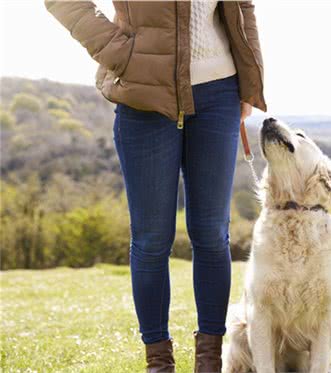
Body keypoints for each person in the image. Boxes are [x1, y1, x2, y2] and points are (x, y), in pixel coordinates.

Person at [44, 1, 266, 372]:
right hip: (144, 93)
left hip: (218, 94)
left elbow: (242, 6)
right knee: (150, 240)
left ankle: (209, 361)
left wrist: (250, 79)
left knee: (212, 234)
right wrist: (120, 52)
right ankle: (159, 362)